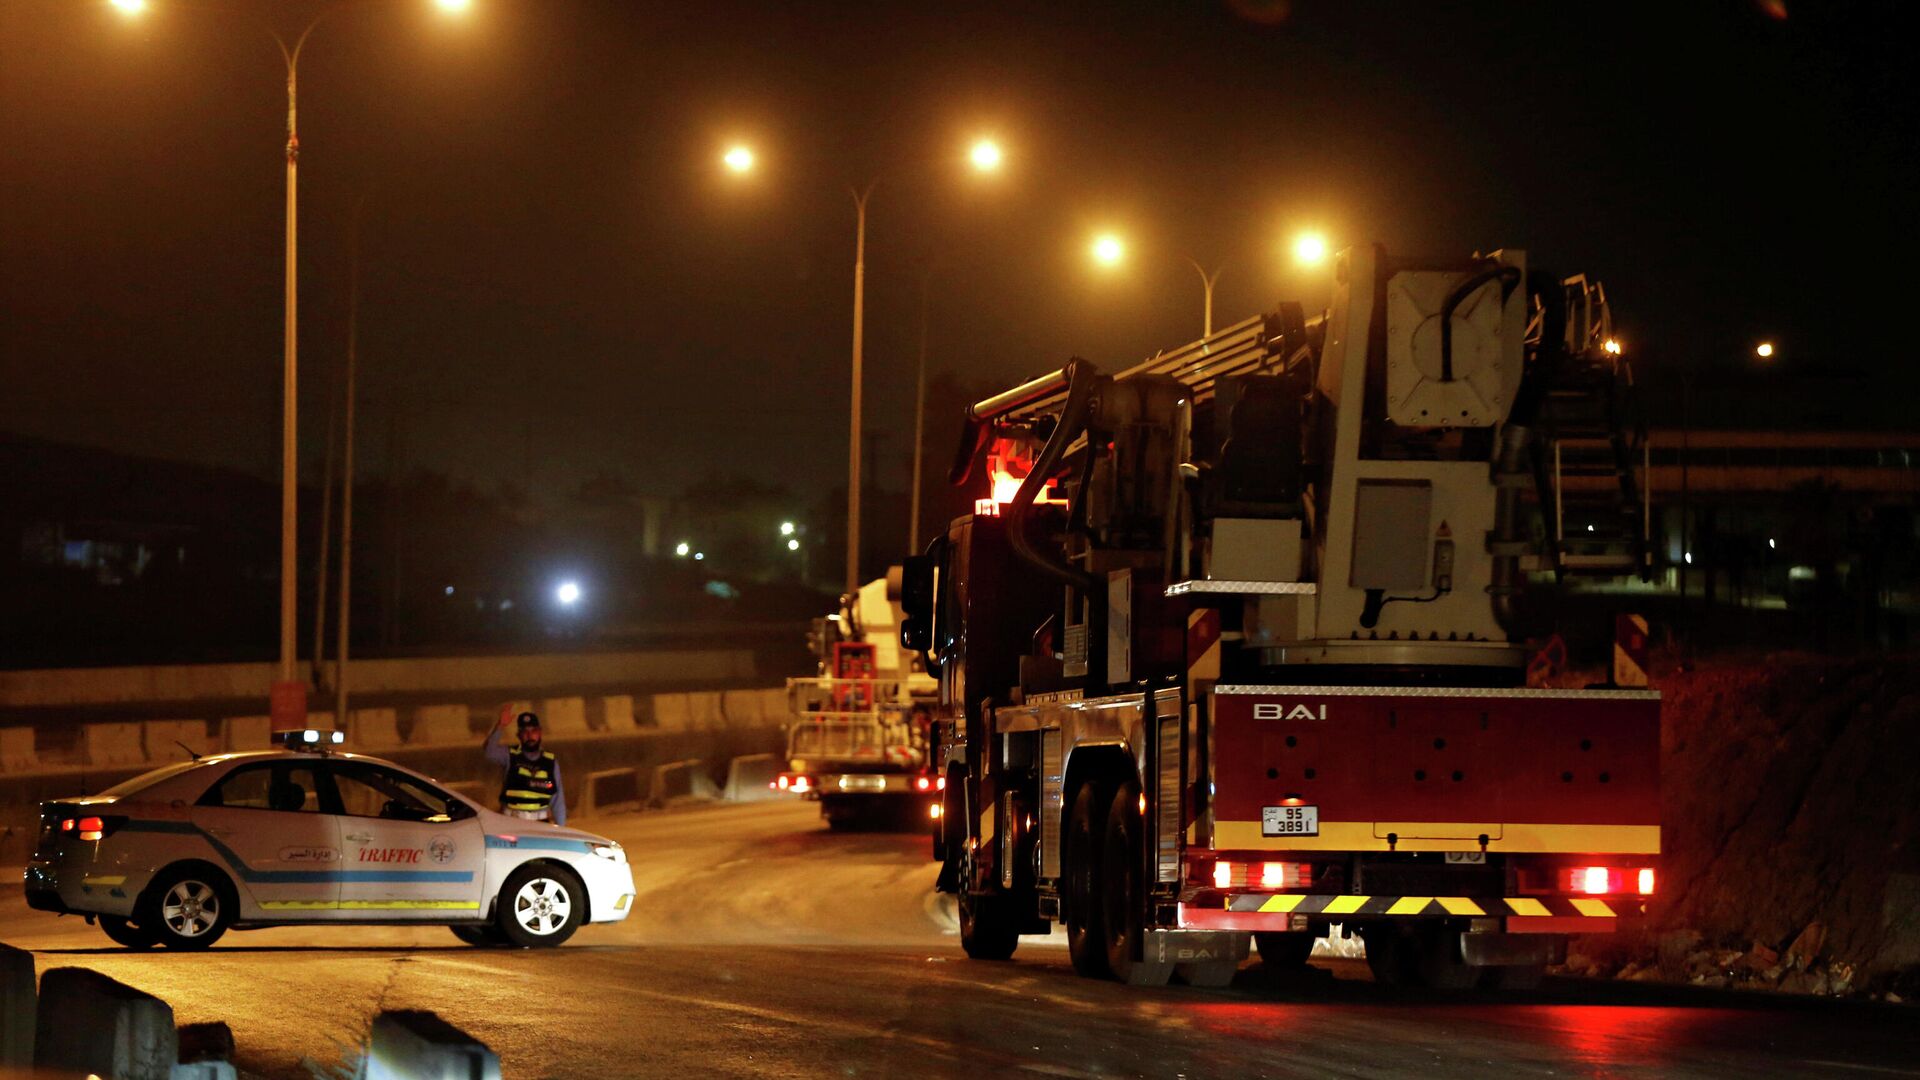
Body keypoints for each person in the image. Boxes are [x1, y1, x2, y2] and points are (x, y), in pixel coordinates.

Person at [484, 706, 567, 825]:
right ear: (519, 735)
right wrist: (500, 726)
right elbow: (489, 752)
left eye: (534, 731)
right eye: (525, 732)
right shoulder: (509, 755)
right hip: (512, 822)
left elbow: (558, 801)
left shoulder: (550, 761)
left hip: (541, 823)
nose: (530, 736)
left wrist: (562, 830)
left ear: (540, 733)